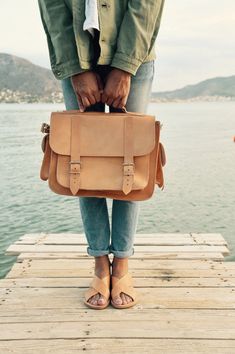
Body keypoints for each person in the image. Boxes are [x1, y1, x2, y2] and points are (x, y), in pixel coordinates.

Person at [38, 0, 165, 309]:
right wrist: (74, 69)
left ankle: (121, 263)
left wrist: (125, 66)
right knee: (80, 160)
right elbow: (52, 6)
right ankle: (99, 262)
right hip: (76, 53)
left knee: (131, 164)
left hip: (134, 51)